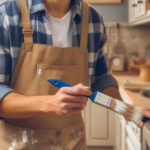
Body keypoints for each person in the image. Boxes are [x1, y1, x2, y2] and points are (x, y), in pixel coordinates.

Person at [0, 0, 149, 149]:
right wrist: (50, 104)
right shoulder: (7, 15)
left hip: (72, 143)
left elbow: (101, 78)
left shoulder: (92, 18)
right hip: (18, 143)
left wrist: (129, 110)